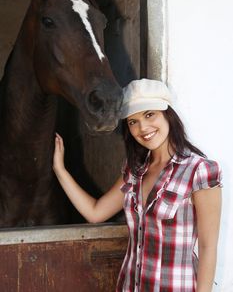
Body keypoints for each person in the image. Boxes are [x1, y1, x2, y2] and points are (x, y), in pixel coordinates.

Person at [53, 78, 222, 292]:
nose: (142, 127)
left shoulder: (200, 171)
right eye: (133, 121)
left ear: (168, 114)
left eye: (149, 114)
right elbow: (95, 213)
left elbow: (208, 248)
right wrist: (60, 170)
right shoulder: (134, 170)